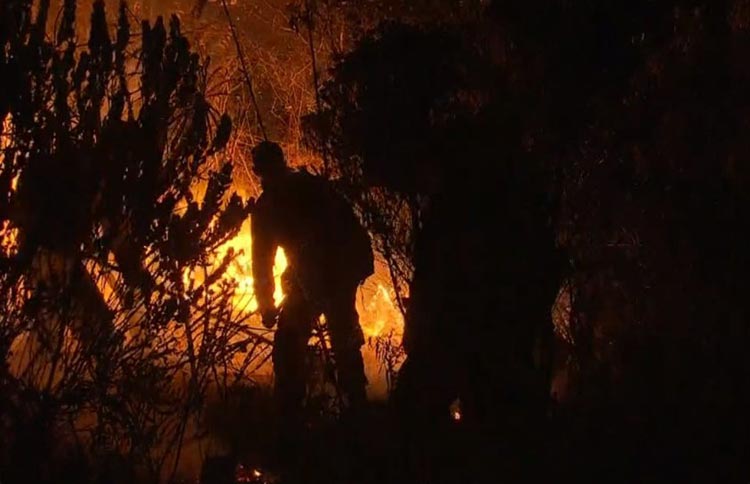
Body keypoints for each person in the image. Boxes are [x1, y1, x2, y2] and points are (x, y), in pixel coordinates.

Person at [250, 141, 374, 426]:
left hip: (332, 272)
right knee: (340, 339)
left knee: (295, 344)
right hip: (327, 273)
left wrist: (267, 306)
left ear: (260, 171)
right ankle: (355, 406)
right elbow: (263, 263)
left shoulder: (274, 204)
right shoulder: (312, 186)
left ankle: (293, 414)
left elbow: (262, 263)